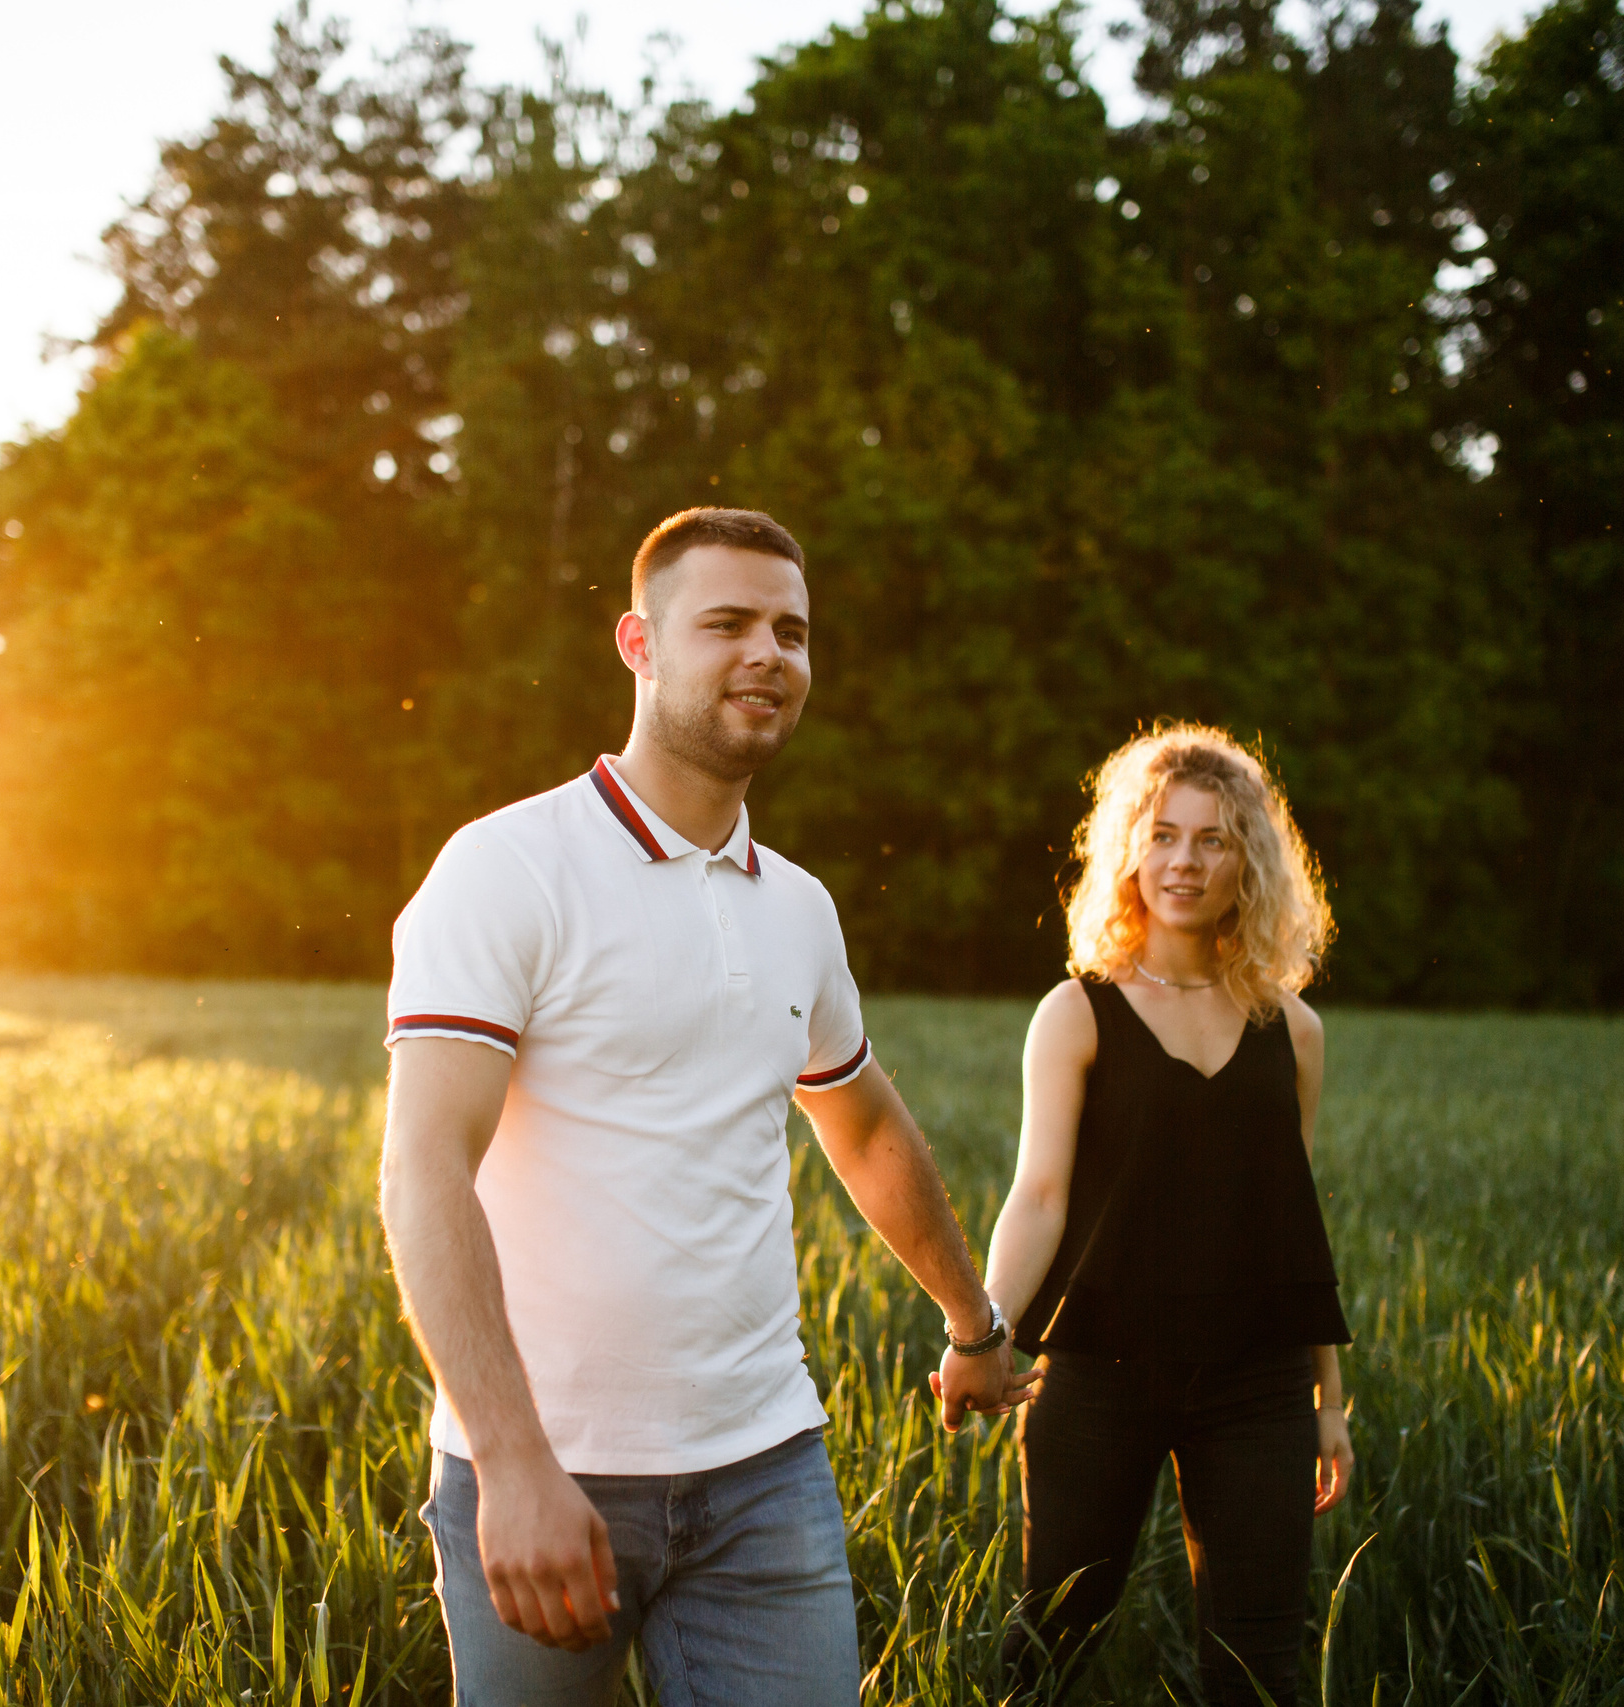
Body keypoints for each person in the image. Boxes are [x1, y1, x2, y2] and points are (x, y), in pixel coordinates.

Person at [379, 507, 1037, 1707]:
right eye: (726, 623)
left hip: (765, 1475)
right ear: (638, 643)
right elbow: (424, 1165)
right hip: (547, 1473)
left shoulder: (797, 907)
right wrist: (515, 1463)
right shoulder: (508, 867)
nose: (767, 654)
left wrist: (972, 1323)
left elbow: (866, 1124)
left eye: (791, 631)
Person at [964, 723, 1354, 1705]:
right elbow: (1038, 1194)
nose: (1185, 860)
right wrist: (987, 1330)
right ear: (1130, 851)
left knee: (1259, 1669)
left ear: (1248, 862)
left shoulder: (1292, 1030)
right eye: (1165, 834)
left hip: (1258, 1388)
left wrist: (1329, 1402)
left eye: (1214, 839)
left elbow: (1290, 1229)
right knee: (1045, 1653)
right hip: (1099, 1376)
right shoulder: (1076, 1013)